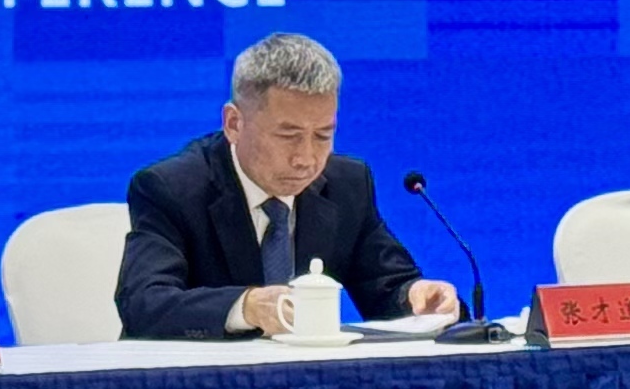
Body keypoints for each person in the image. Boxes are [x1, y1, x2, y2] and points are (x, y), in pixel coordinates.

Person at [114, 33, 456, 339]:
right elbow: (144, 303)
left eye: (322, 135)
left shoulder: (347, 184)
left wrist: (416, 296)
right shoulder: (170, 188)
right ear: (234, 123)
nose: (306, 159)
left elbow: (385, 284)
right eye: (288, 136)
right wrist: (245, 306)